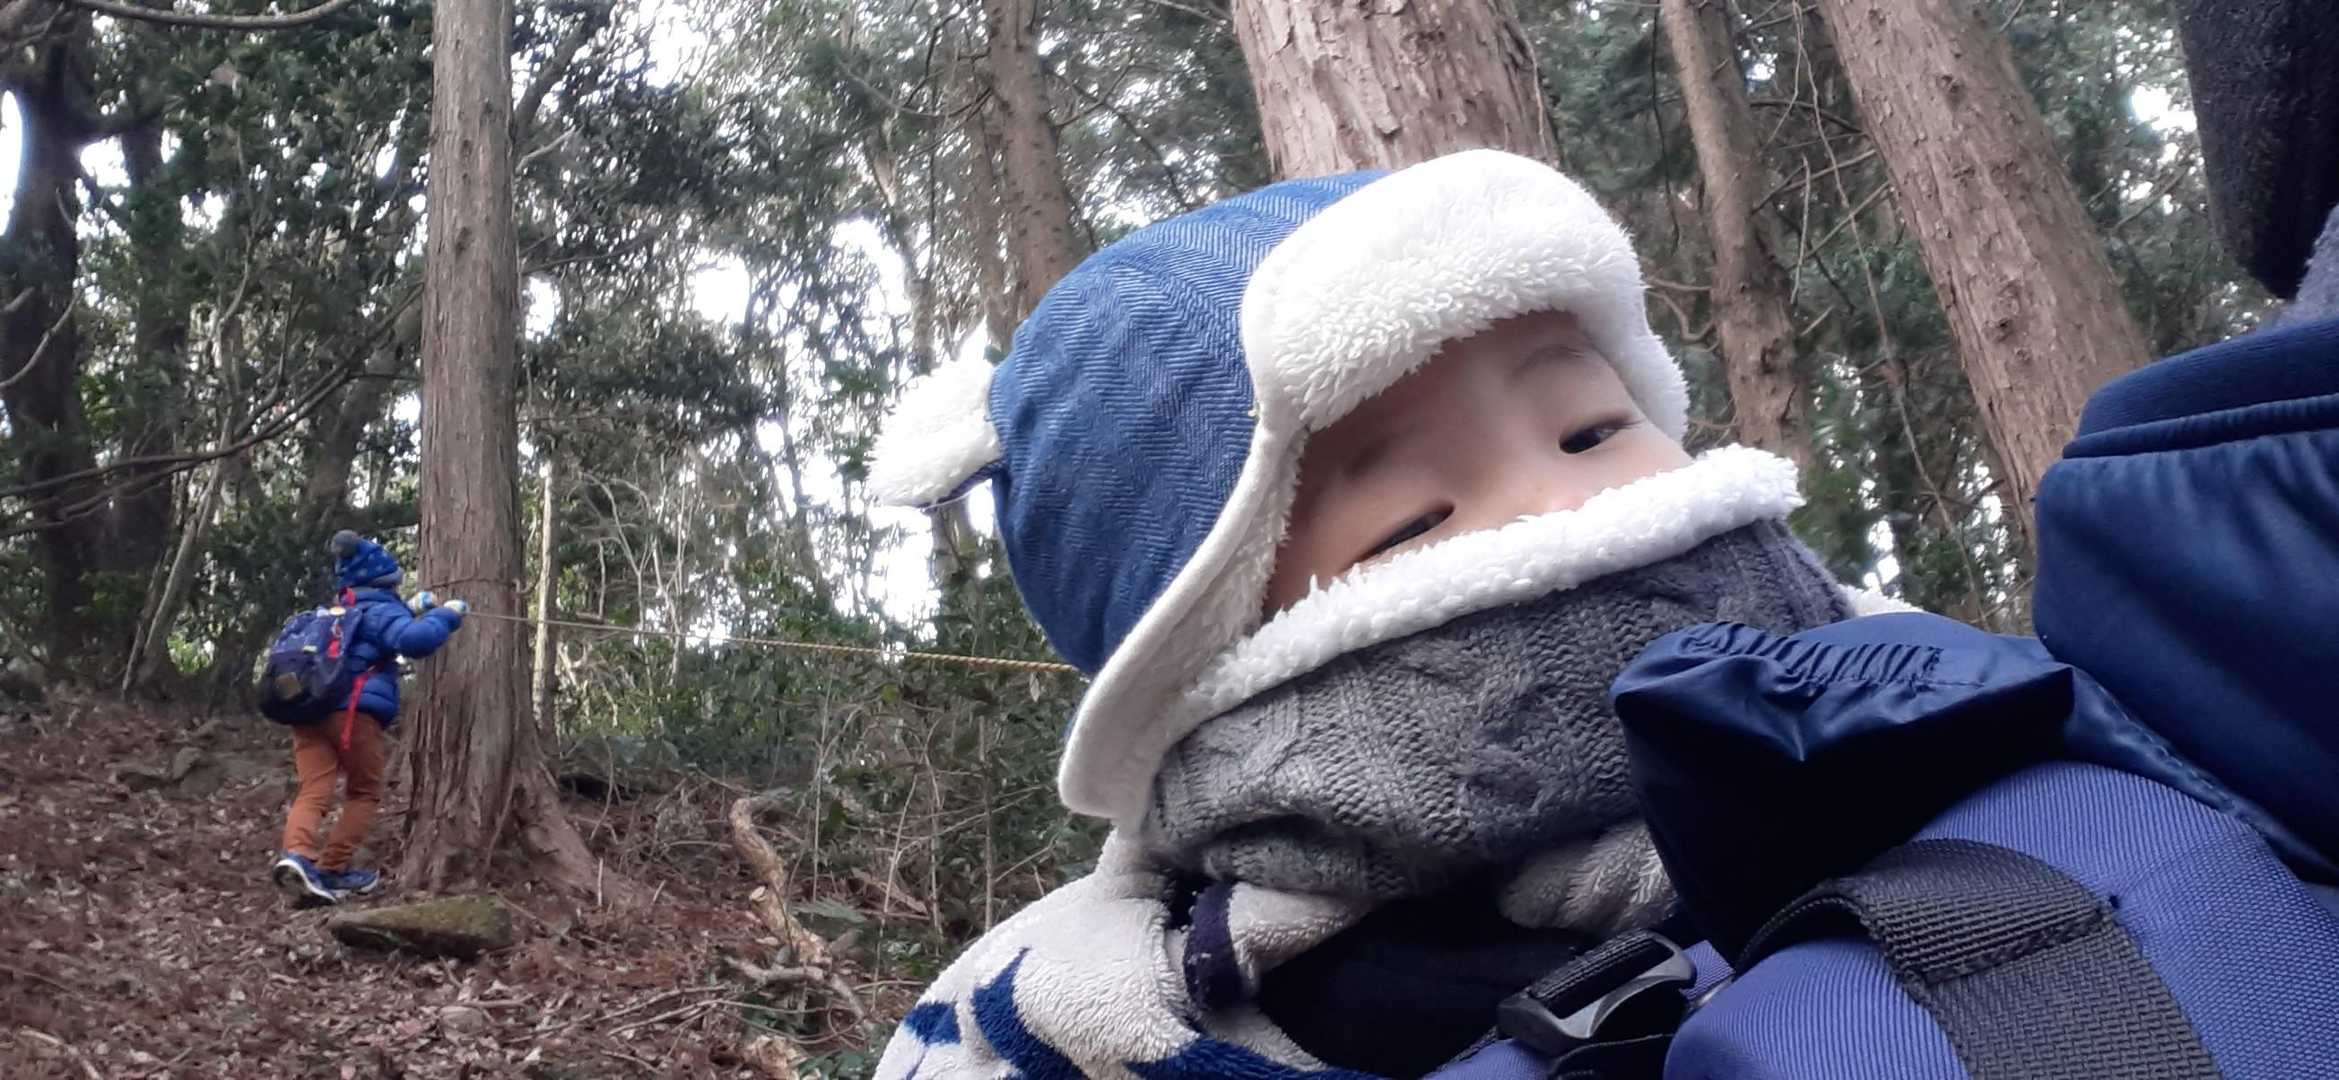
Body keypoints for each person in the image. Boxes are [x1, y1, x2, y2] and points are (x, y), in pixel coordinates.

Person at [861, 149, 1897, 1077]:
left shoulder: (1938, 714)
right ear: (1214, 669)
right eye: (1409, 522)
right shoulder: (1066, 1018)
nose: (1562, 505)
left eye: (1592, 431)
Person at [270, 531, 467, 908]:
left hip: (308, 713)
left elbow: (380, 630)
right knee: (364, 791)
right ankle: (333, 869)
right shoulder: (381, 609)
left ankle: (297, 857)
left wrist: (412, 609)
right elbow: (413, 642)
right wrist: (447, 615)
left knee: (313, 790)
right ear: (385, 581)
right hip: (352, 714)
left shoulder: (336, 612)